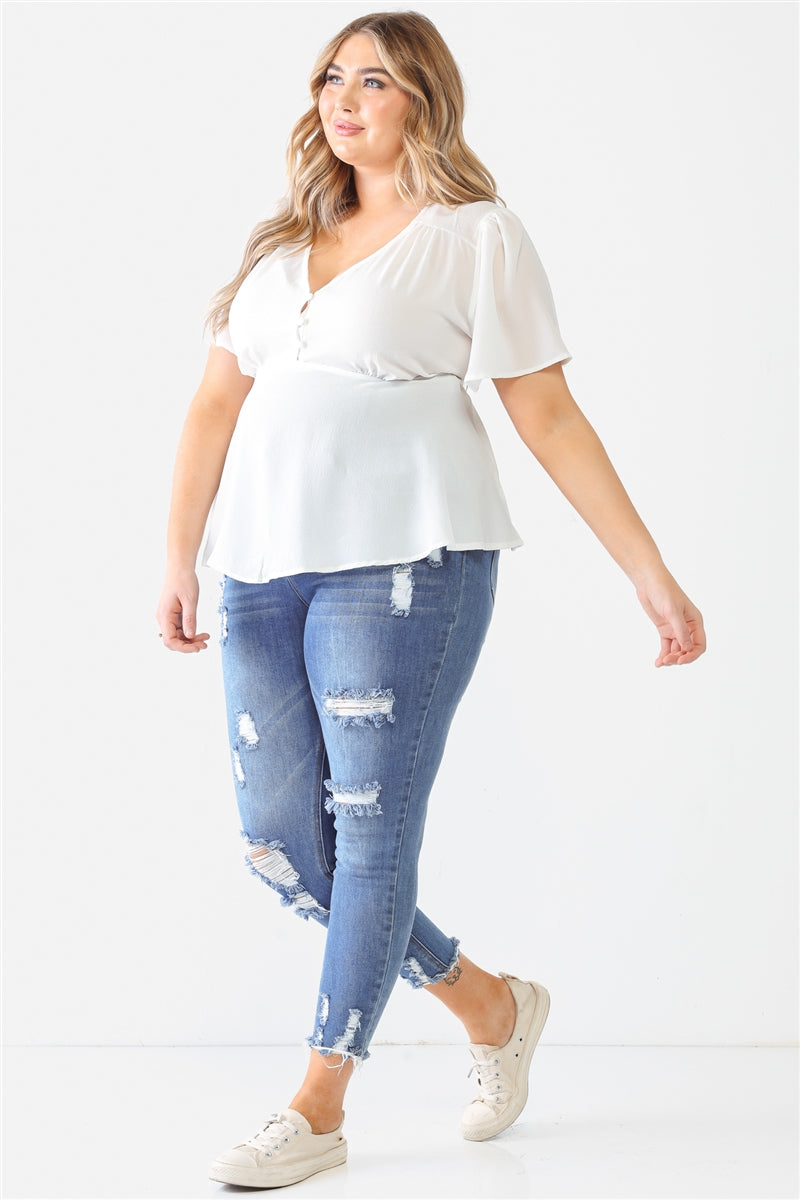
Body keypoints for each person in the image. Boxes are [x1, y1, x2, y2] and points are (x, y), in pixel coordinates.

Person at [156, 9, 706, 1190]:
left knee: (369, 836)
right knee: (279, 843)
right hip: (260, 572)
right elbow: (211, 406)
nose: (341, 99)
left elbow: (544, 413)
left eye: (373, 80)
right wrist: (177, 555)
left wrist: (646, 571)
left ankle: (317, 1103)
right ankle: (488, 1004)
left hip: (405, 565)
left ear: (423, 98)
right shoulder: (275, 249)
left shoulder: (473, 235)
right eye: (330, 78)